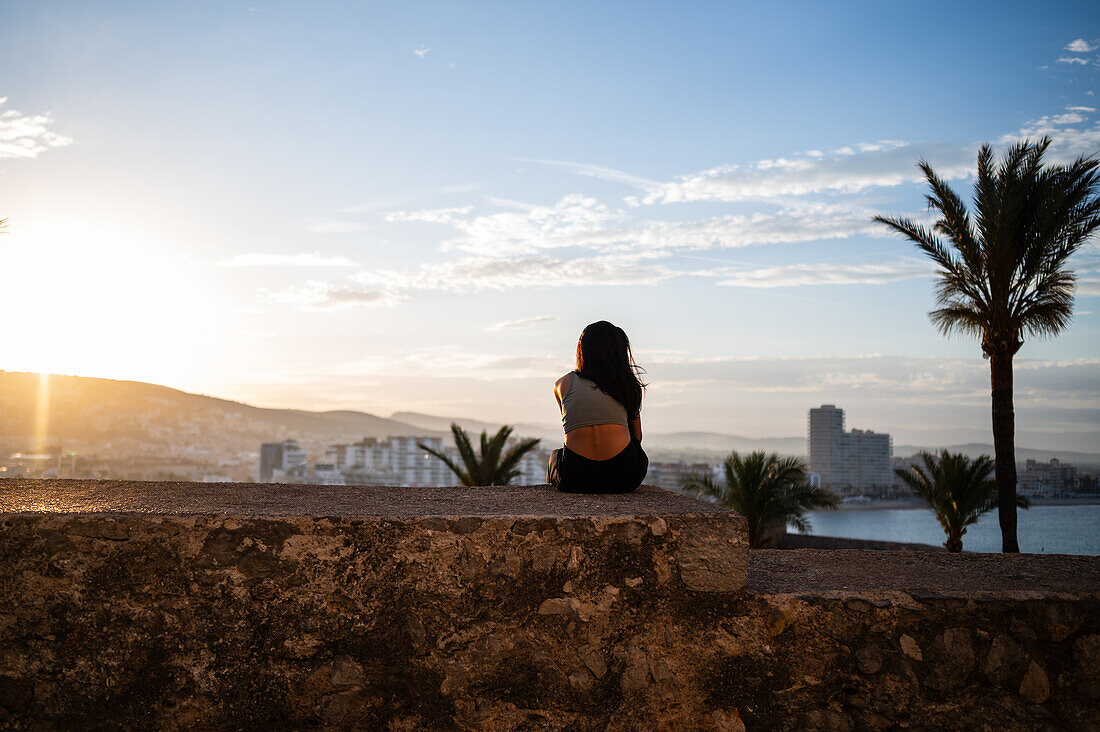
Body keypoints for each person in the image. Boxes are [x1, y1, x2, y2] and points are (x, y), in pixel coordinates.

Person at [547, 321, 649, 494]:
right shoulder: (628, 385)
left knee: (555, 456)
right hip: (624, 477)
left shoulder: (562, 384)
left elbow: (572, 429)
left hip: (575, 477)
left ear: (582, 349)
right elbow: (637, 437)